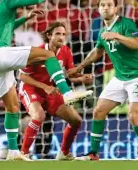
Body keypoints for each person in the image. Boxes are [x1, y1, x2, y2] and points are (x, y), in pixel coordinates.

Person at [0, 0, 91, 161]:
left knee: (12, 108)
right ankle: (67, 92)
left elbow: (5, 26)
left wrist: (26, 17)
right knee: (48, 55)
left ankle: (14, 152)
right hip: (0, 54)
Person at [69, 0, 138, 160]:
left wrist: (117, 36)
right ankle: (93, 153)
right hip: (120, 78)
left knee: (133, 115)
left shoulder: (126, 23)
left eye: (109, 5)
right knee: (98, 111)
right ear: (98, 9)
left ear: (115, 8)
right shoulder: (102, 32)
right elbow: (98, 52)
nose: (105, 8)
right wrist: (79, 67)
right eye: (102, 5)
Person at [19, 21, 93, 160]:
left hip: (51, 90)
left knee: (76, 120)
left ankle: (64, 153)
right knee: (39, 116)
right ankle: (23, 153)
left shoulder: (65, 51)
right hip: (31, 88)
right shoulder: (38, 51)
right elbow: (22, 76)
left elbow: (69, 75)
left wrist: (82, 78)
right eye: (58, 34)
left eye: (64, 34)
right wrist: (44, 87)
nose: (61, 37)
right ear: (49, 35)